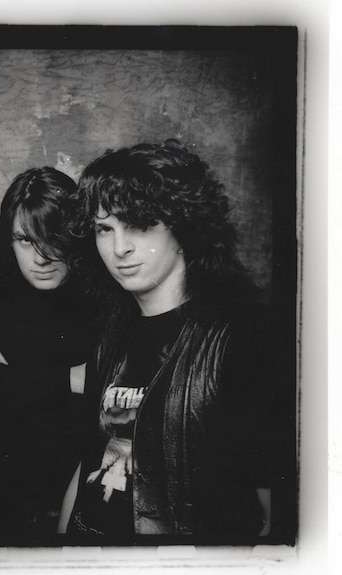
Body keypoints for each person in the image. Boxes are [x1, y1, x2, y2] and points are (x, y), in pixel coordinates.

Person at [59, 140, 283, 541]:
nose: (119, 248)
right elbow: (90, 456)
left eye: (139, 225)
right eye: (104, 229)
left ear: (184, 225)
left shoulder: (243, 335)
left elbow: (271, 502)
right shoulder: (110, 332)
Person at [0, 167, 96, 543]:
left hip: (80, 500)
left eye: (53, 238)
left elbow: (111, 397)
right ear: (8, 240)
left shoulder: (105, 303)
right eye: (24, 240)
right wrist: (68, 379)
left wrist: (13, 378)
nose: (41, 257)